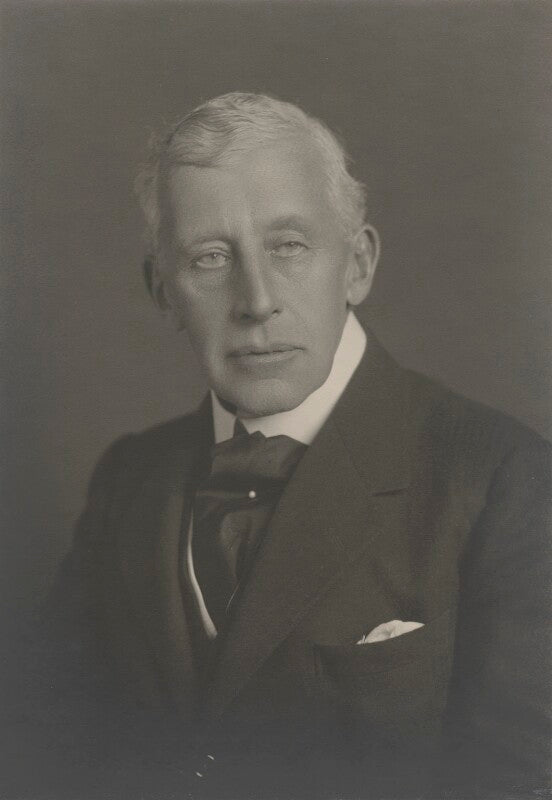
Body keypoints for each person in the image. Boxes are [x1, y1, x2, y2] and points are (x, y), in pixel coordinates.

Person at [40, 92, 550, 799]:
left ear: (358, 264)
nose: (256, 301)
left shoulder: (505, 481)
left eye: (288, 246)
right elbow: (48, 751)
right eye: (210, 258)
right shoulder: (127, 482)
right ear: (163, 290)